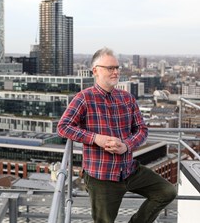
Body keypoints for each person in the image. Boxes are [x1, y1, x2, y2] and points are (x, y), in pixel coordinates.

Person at [57, 47, 177, 223]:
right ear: (95, 71)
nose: (115, 72)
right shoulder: (84, 98)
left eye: (117, 67)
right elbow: (63, 127)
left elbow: (142, 129)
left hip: (129, 169)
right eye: (110, 68)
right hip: (102, 176)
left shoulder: (127, 98)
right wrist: (96, 138)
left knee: (167, 192)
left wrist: (126, 145)